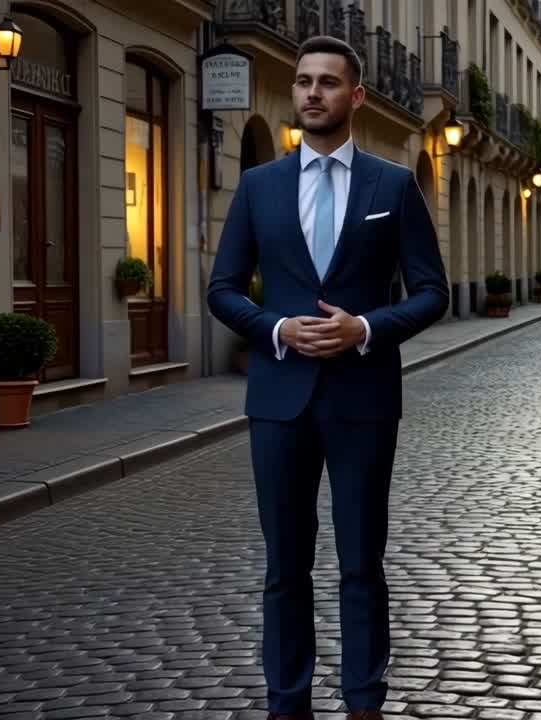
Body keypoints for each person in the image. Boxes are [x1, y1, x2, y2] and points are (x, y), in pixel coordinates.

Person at [207, 35, 449, 720]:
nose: (313, 92)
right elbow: (223, 288)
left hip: (363, 399)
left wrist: (364, 329)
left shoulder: (393, 186)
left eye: (329, 83)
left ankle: (364, 699)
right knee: (285, 567)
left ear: (356, 95)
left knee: (360, 562)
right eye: (304, 82)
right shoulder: (259, 186)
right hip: (278, 401)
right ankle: (287, 700)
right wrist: (278, 329)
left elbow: (432, 292)